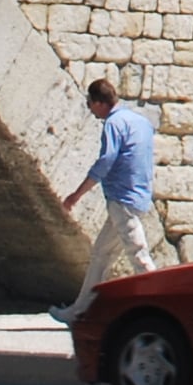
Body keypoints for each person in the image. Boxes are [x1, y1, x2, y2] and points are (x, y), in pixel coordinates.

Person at [54, 77, 163, 323]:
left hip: (122, 198)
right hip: (138, 195)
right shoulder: (141, 122)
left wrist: (76, 195)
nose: (91, 111)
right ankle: (80, 311)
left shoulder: (113, 124)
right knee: (101, 255)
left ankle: (164, 306)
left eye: (90, 104)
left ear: (99, 102)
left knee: (138, 255)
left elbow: (105, 162)